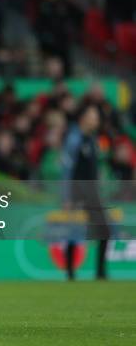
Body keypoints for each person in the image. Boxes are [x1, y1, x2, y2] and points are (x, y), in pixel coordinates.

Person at [61, 103, 109, 280]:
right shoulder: (74, 139)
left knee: (104, 231)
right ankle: (70, 273)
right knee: (74, 232)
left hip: (91, 192)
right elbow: (67, 169)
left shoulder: (93, 140)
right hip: (77, 192)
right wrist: (67, 197)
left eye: (97, 117)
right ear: (83, 118)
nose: (95, 120)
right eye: (93, 116)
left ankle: (100, 272)